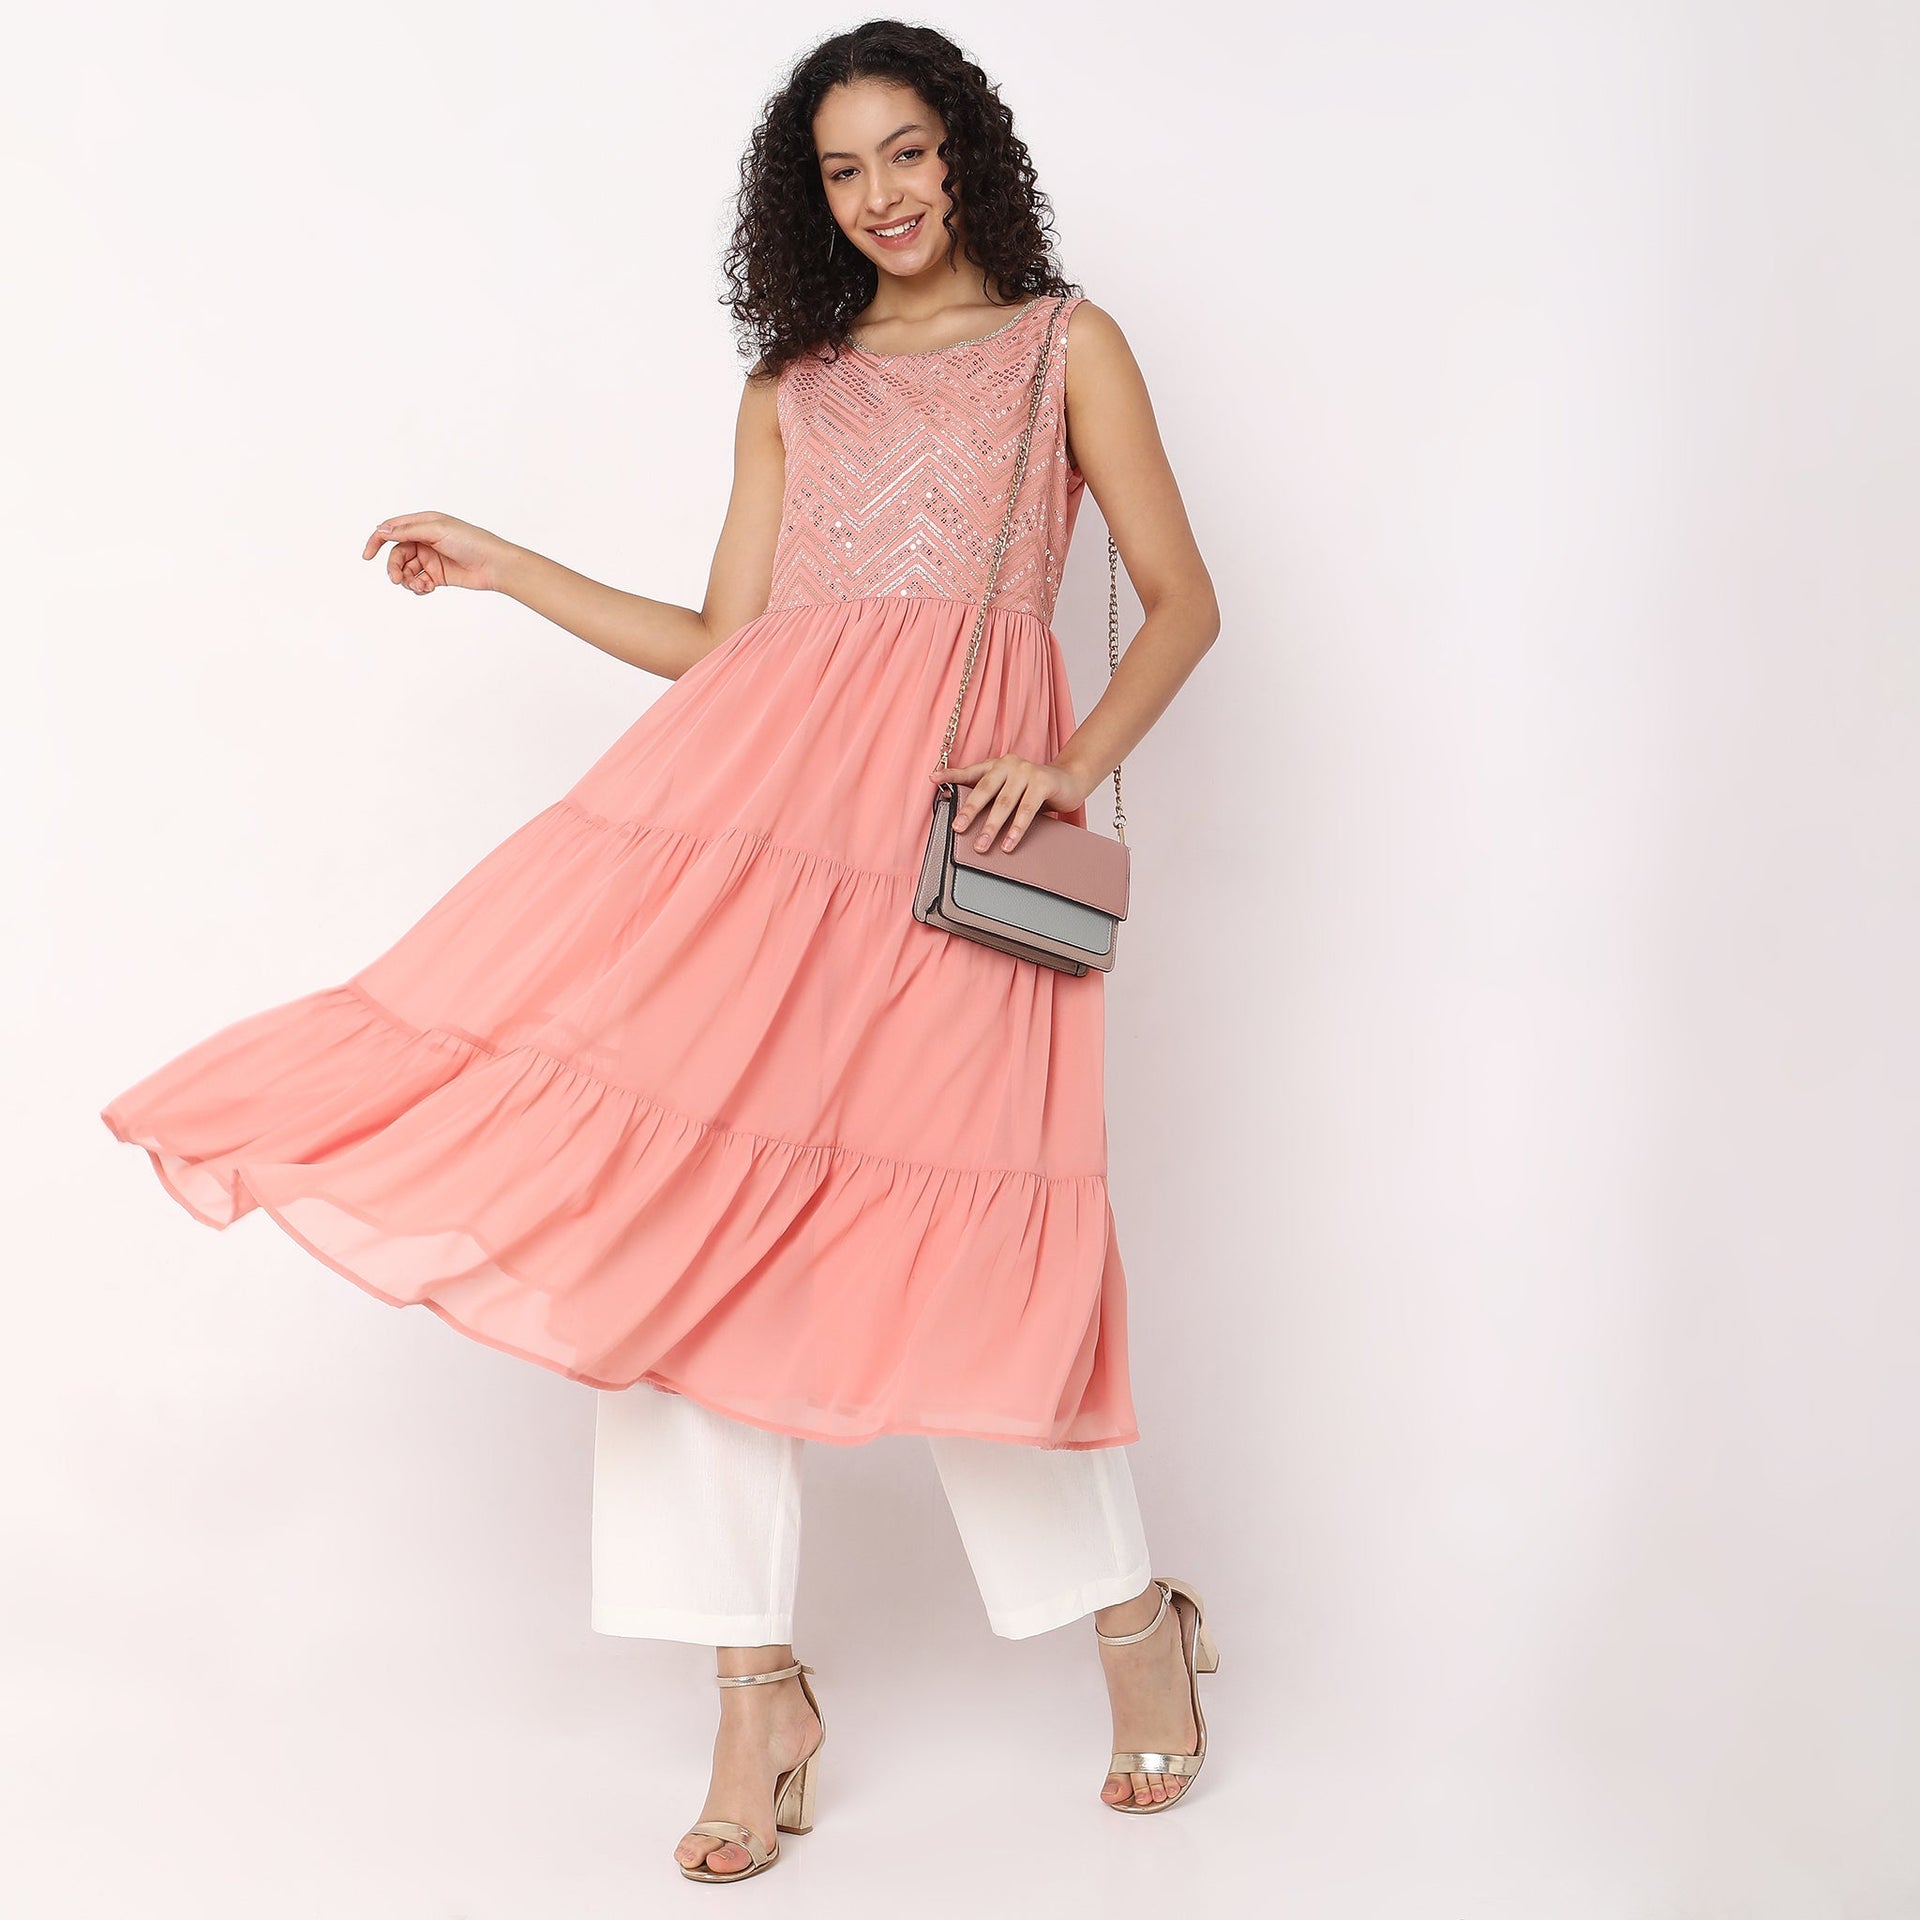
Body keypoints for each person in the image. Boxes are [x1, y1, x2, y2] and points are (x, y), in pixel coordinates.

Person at [99, 18, 1222, 1884]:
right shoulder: (794, 382)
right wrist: (512, 566)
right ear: (810, 196)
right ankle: (752, 1692)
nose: (882, 196)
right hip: (754, 844)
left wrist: (1071, 759)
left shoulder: (1063, 349)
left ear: (968, 153)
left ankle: (1133, 1625)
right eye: (843, 170)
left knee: (972, 1238)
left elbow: (1182, 603)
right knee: (681, 1238)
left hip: (952, 850)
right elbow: (728, 643)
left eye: (909, 152)